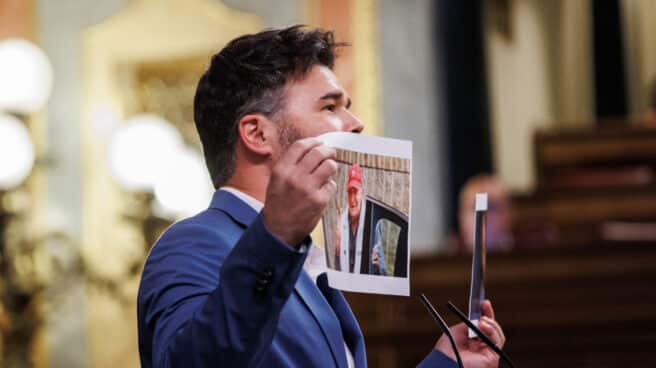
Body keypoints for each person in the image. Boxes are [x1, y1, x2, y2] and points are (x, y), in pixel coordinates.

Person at [137, 25, 505, 368]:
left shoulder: (299, 254)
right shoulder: (192, 244)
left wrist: (446, 361)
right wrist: (274, 237)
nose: (356, 122)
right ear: (257, 134)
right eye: (330, 106)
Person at [334, 164, 386, 275]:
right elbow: (337, 270)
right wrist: (337, 252)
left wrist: (377, 266)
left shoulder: (372, 222)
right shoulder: (341, 222)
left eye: (355, 192)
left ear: (362, 193)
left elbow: (382, 269)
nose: (352, 199)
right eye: (349, 192)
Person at [457, 175, 514, 253]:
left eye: (491, 207)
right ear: (462, 216)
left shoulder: (526, 257)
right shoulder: (447, 257)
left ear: (508, 214)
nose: (483, 217)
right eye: (475, 207)